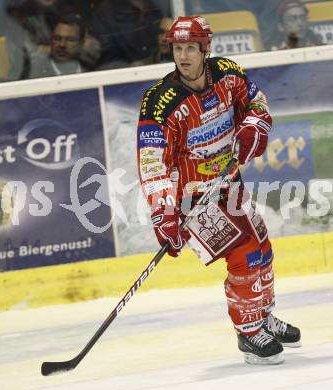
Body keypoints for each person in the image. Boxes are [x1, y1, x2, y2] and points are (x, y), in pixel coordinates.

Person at [136, 15, 301, 365]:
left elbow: (258, 104)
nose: (182, 56)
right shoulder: (159, 102)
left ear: (205, 49)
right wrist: (164, 212)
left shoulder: (227, 74)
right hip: (190, 200)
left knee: (262, 245)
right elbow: (152, 164)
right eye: (177, 48)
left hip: (228, 184)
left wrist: (255, 126)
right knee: (244, 252)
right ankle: (248, 332)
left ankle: (262, 314)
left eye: (190, 48)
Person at [90, 0, 162, 69]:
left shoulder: (156, 7)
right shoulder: (106, 12)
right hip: (121, 75)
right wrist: (128, 68)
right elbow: (105, 56)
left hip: (156, 70)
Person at [28, 13, 85, 78]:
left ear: (81, 43)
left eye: (70, 40)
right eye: (57, 39)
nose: (62, 45)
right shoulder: (34, 74)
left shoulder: (93, 71)